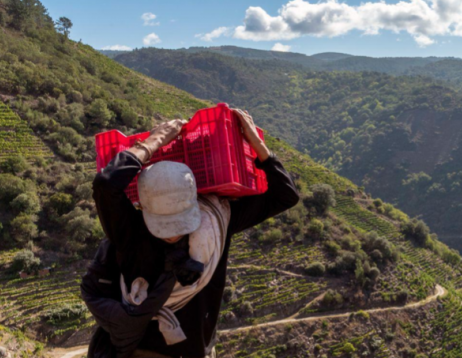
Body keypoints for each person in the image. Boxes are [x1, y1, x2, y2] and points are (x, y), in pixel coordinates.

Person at [82, 109, 300, 358]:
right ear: (143, 209)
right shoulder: (139, 232)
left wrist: (256, 142)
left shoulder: (216, 220)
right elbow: (105, 184)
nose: (172, 234)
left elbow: (286, 195)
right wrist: (155, 141)